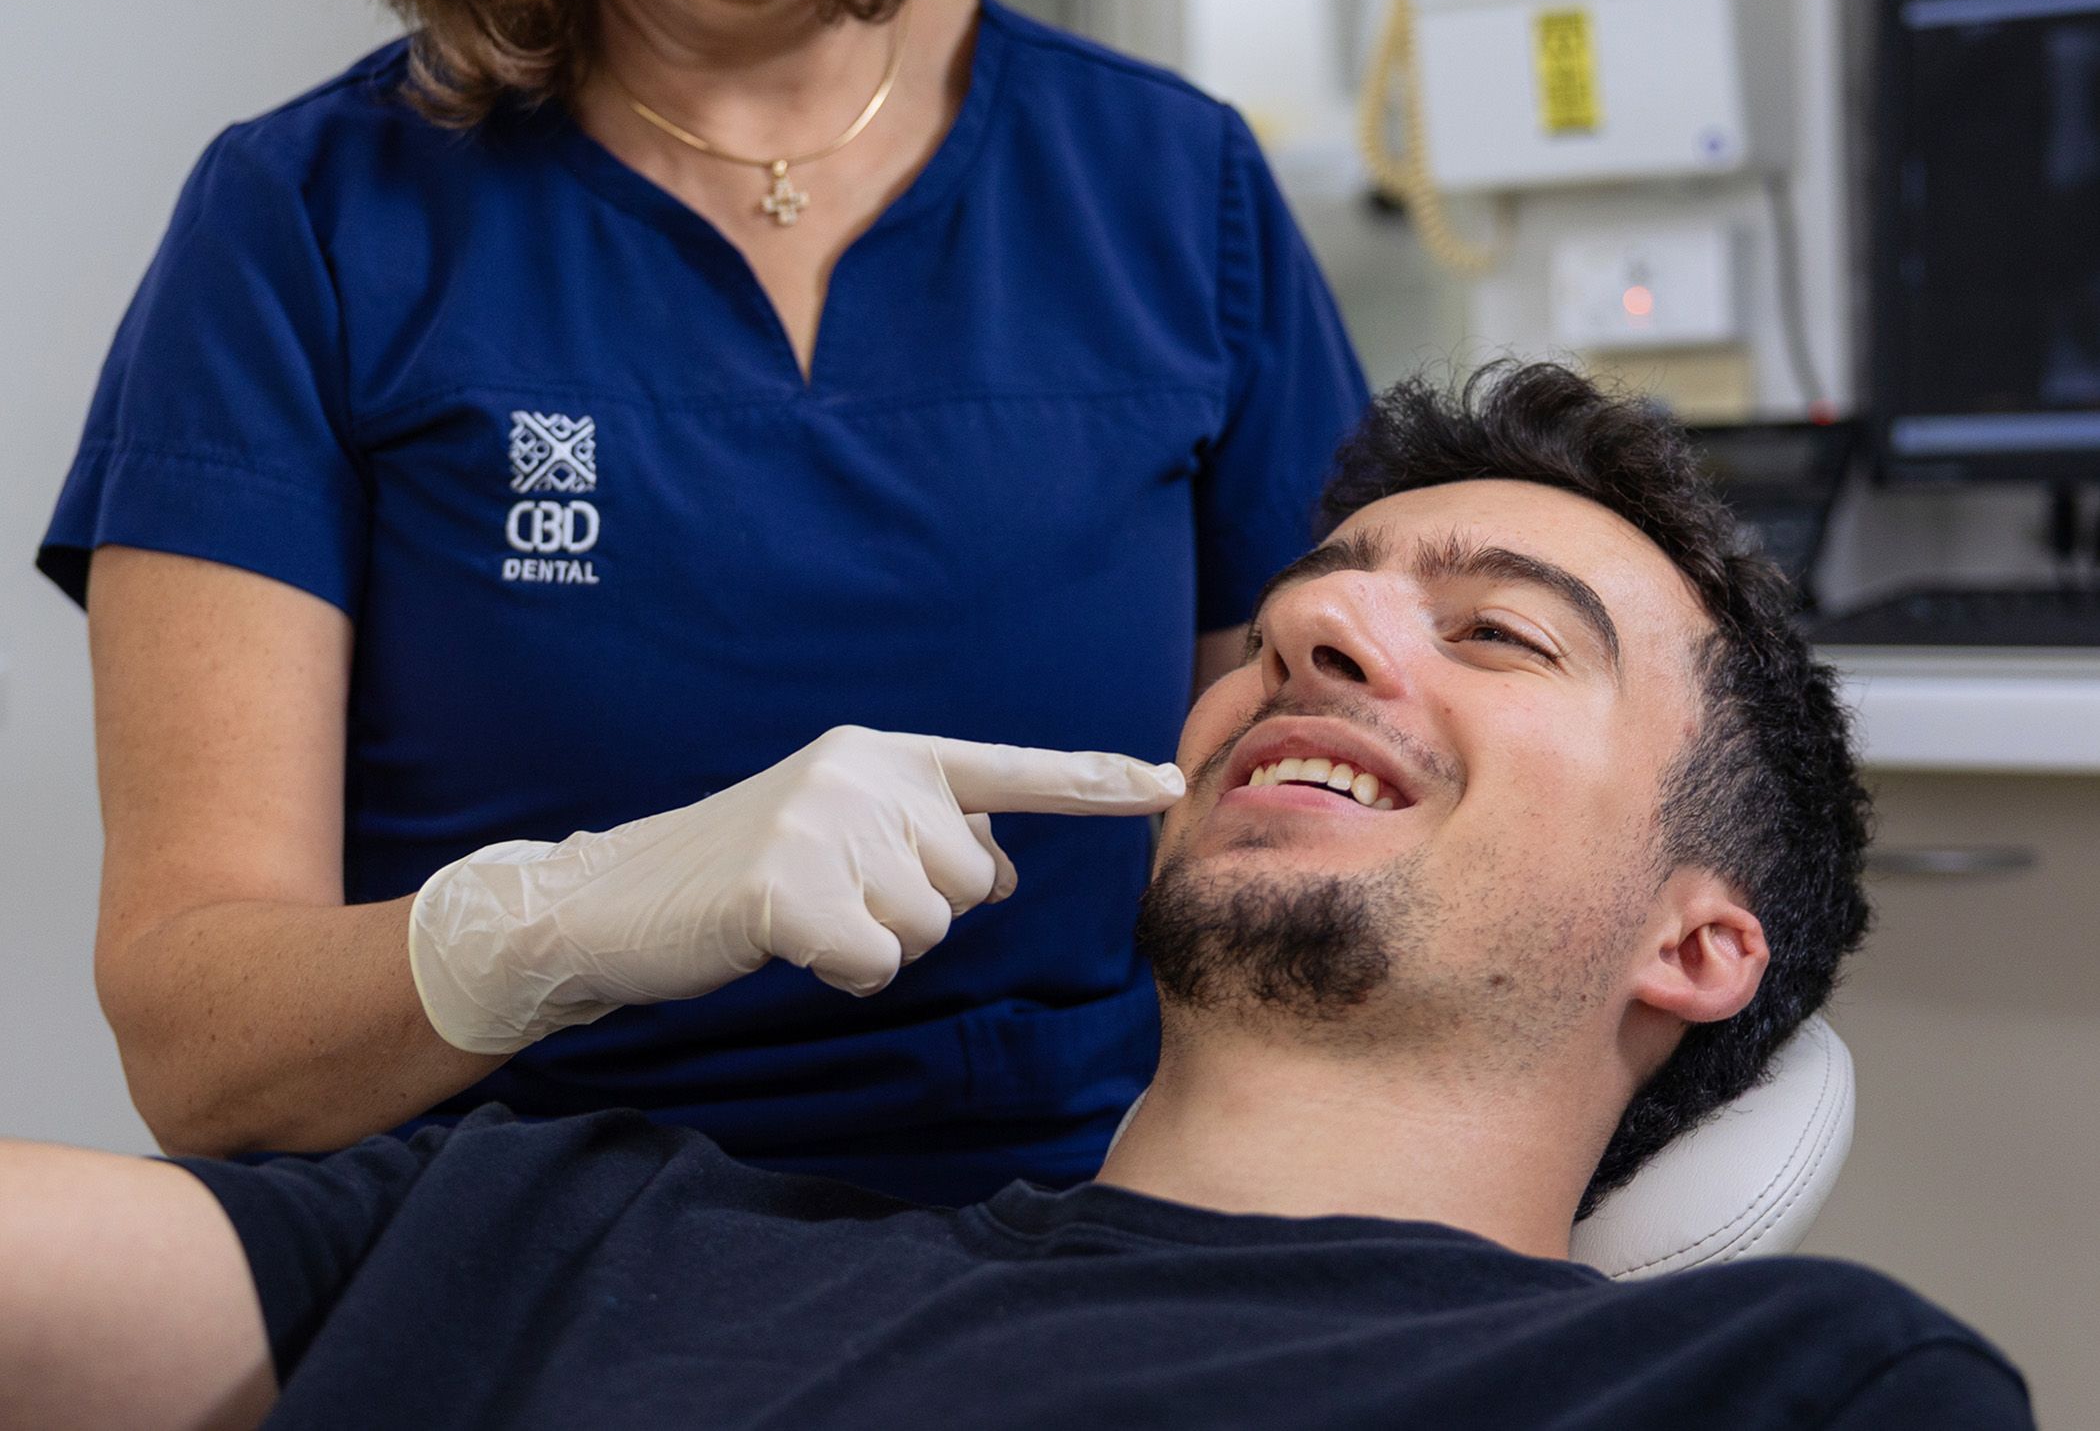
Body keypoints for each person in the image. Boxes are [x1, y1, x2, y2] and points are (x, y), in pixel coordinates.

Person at [35, 0, 1365, 1203]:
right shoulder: (310, 229)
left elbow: (1347, 832)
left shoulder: (1173, 194)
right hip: (514, 1270)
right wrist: (565, 921)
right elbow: (194, 1037)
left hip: (1081, 1260)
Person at [2, 366, 2032, 1429]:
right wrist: (535, 919)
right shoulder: (578, 1221)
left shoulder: (1764, 1386)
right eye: (1316, 595)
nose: (1316, 617)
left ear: (1704, 935)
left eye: (1500, 632)